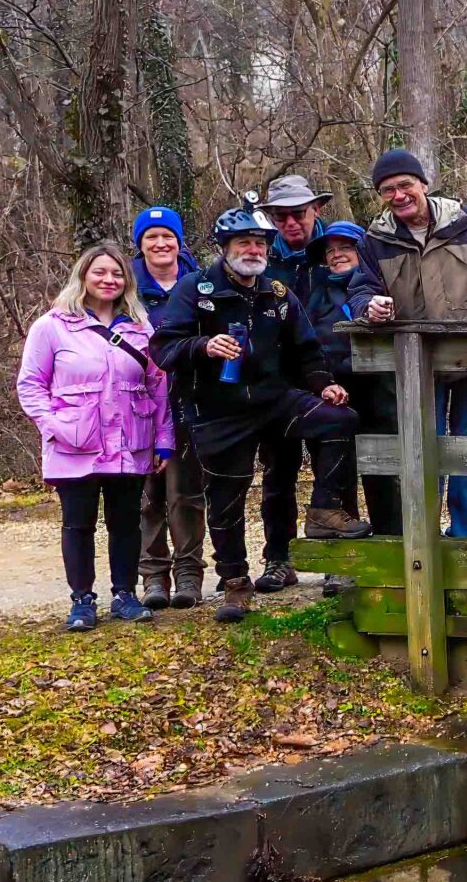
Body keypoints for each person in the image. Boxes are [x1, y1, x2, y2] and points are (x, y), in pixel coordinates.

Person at [152, 194, 359, 624]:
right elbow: (163, 347)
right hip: (218, 410)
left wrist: (325, 386)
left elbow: (307, 351)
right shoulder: (198, 289)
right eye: (244, 243)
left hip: (273, 400)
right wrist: (203, 345)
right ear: (224, 248)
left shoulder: (277, 293)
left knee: (339, 420)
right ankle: (235, 582)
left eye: (261, 244)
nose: (254, 251)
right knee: (225, 501)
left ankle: (323, 511)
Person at [353, 149, 467, 538]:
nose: (398, 195)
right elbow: (361, 290)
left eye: (405, 185)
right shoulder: (375, 240)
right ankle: (424, 535)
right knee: (422, 450)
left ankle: (464, 531)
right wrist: (369, 307)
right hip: (416, 363)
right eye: (387, 190)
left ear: (423, 185)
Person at [20, 245, 172, 630]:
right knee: (78, 523)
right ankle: (82, 601)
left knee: (125, 522)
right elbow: (31, 385)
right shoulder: (52, 326)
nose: (109, 280)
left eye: (117, 274)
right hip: (74, 444)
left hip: (129, 442)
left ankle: (125, 594)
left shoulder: (141, 328)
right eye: (100, 272)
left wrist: (163, 439)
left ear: (127, 281)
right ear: (83, 276)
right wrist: (54, 426)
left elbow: (158, 388)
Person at [257, 174, 339, 587]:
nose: (291, 223)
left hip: (331, 375)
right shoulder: (260, 258)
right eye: (281, 216)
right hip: (278, 382)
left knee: (336, 468)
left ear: (316, 210)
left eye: (298, 214)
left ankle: (335, 559)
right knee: (278, 473)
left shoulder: (339, 249)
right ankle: (279, 557)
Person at [131, 208, 204, 607]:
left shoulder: (200, 284)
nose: (161, 244)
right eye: (151, 237)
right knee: (148, 496)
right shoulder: (125, 288)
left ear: (179, 241)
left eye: (168, 236)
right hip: (138, 404)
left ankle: (189, 574)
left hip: (188, 400)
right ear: (140, 244)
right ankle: (153, 576)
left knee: (187, 492)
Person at [309, 221, 399, 537]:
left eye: (345, 248)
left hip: (382, 388)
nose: (336, 255)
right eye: (330, 251)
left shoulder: (386, 286)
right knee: (339, 468)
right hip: (337, 392)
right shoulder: (316, 293)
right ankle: (346, 549)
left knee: (385, 466)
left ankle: (394, 539)